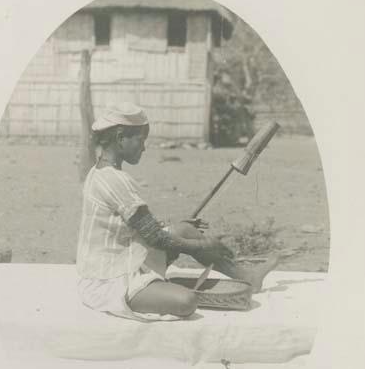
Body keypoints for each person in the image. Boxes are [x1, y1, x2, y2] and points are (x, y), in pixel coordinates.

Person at [76, 103, 278, 320]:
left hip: (123, 257)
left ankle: (247, 276)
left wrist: (179, 230)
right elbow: (154, 238)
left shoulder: (102, 172)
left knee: (184, 229)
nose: (144, 147)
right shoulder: (115, 180)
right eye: (141, 139)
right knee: (186, 302)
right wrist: (204, 245)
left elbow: (138, 227)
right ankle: (154, 290)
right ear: (120, 137)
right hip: (108, 279)